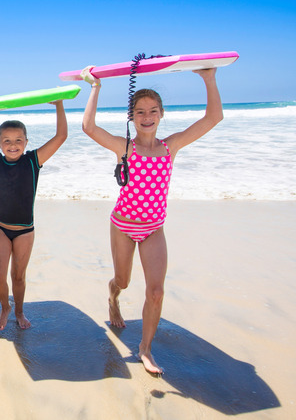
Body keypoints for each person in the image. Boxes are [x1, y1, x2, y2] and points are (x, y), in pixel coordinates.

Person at [81, 66, 223, 374]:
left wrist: (209, 78)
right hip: (122, 225)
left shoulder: (170, 147)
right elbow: (89, 128)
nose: (147, 116)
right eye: (140, 111)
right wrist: (95, 88)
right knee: (123, 281)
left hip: (153, 229)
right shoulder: (125, 147)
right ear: (131, 116)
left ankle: (145, 348)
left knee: (156, 291)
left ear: (161, 114)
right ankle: (112, 298)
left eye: (153, 111)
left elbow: (213, 119)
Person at [0, 100, 68, 330]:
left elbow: (61, 137)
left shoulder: (33, 161)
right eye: (7, 141)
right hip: (0, 227)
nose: (13, 145)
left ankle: (18, 311)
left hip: (25, 231)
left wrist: (58, 105)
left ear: (26, 142)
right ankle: (4, 307)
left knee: (18, 277)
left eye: (18, 140)